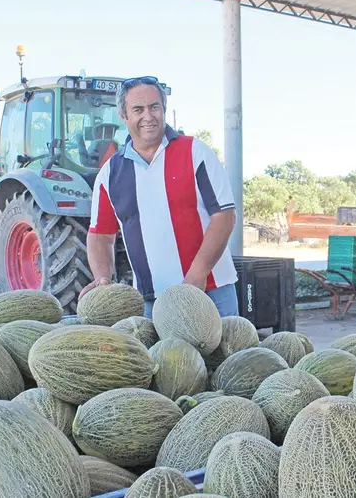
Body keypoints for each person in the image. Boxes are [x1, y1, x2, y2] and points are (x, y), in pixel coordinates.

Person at [78, 76, 239, 318]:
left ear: (164, 109)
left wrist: (197, 276)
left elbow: (224, 216)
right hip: (151, 302)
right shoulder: (109, 173)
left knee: (228, 356)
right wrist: (102, 278)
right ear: (124, 116)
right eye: (138, 109)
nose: (148, 116)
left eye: (155, 107)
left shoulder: (195, 152)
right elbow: (100, 234)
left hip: (212, 292)